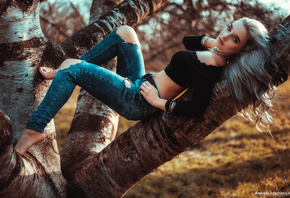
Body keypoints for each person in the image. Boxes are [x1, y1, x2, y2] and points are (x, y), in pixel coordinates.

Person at [15, 17, 278, 155]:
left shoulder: (211, 68)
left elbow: (198, 107)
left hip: (138, 100)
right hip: (142, 82)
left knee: (73, 68)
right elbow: (189, 41)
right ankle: (67, 69)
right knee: (125, 32)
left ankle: (34, 129)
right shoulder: (215, 52)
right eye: (229, 28)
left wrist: (158, 103)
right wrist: (214, 41)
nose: (225, 35)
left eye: (234, 39)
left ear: (242, 50)